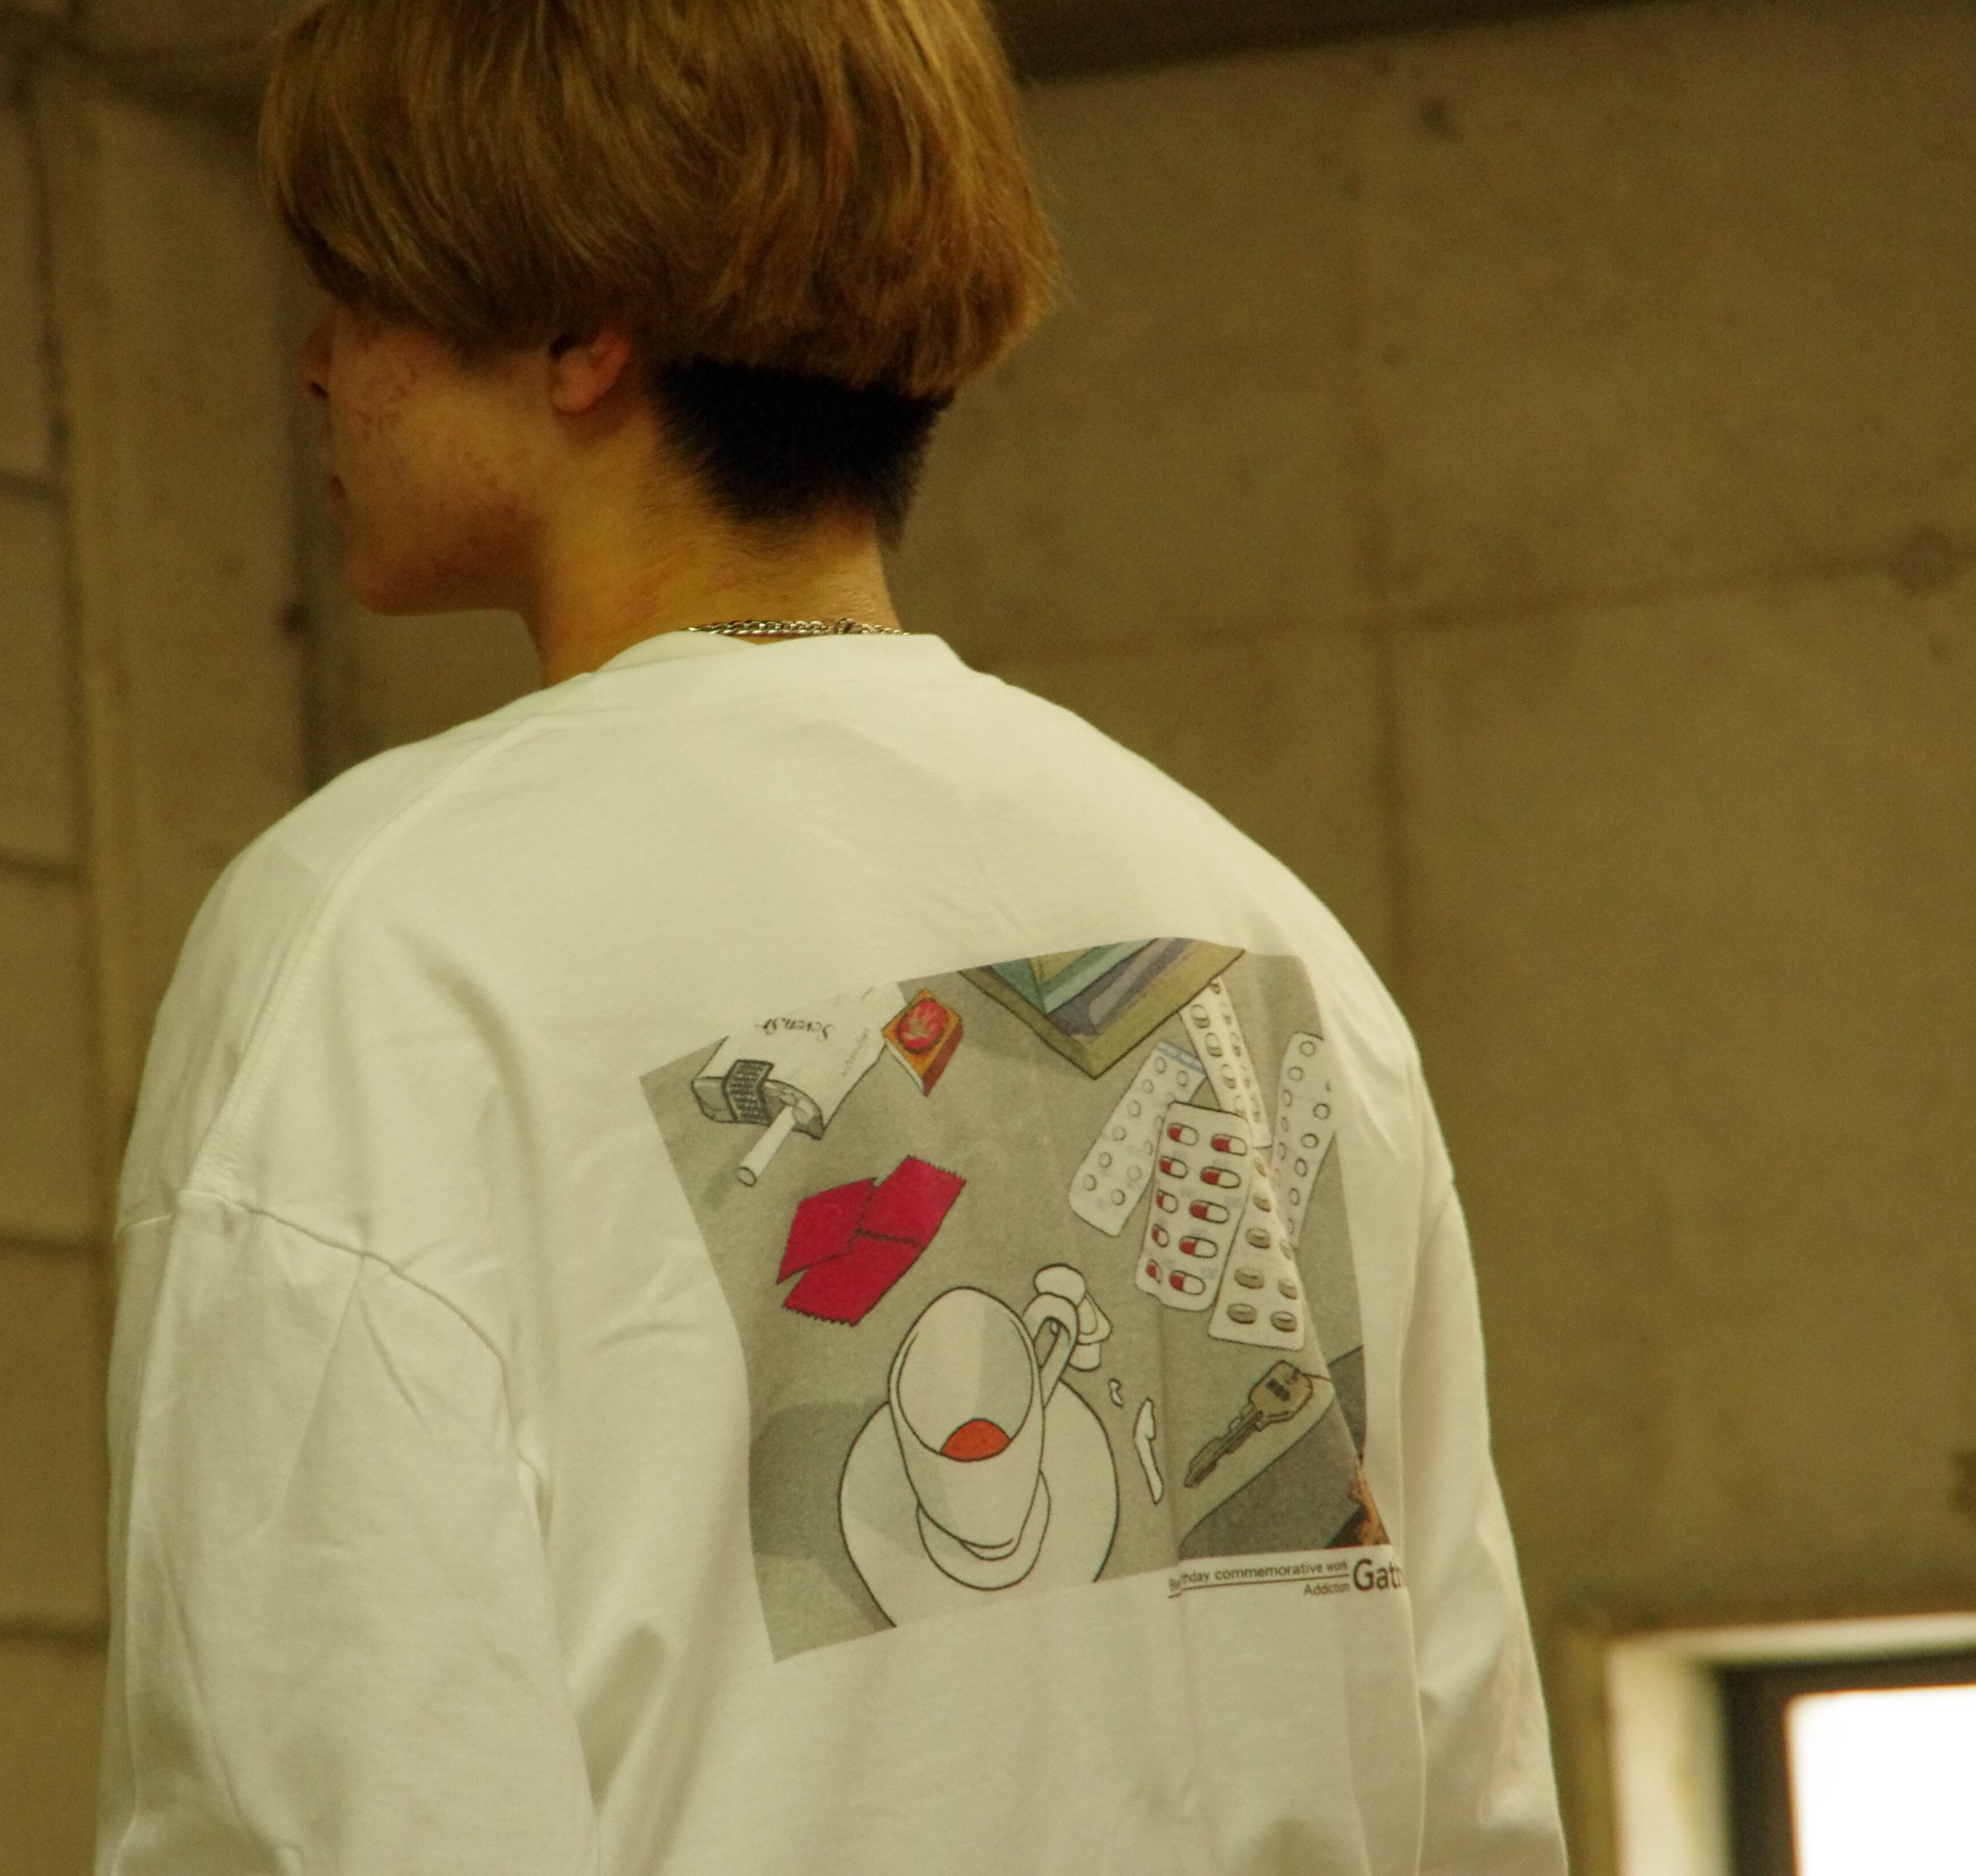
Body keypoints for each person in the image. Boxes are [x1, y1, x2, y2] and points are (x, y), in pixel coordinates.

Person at [97, 0, 1567, 1869]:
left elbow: (315, 1786)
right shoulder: (1259, 928)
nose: (317, 365)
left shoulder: (388, 938)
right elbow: (1473, 1785)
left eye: (361, 291)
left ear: (577, 333)